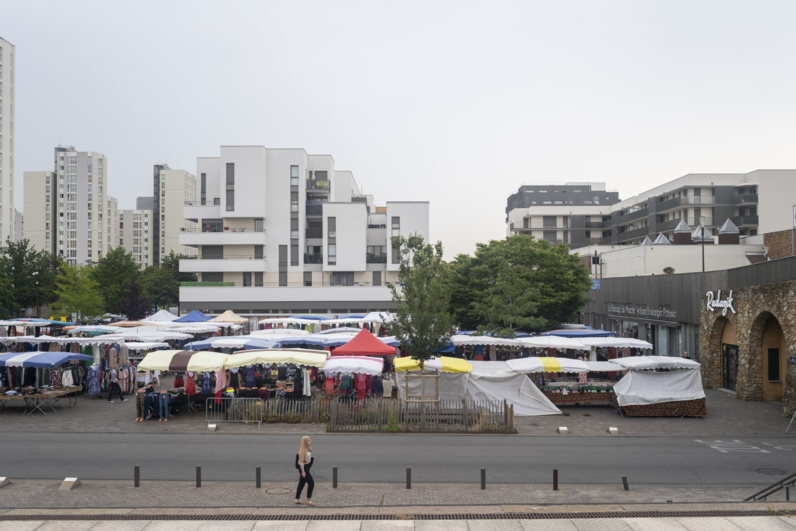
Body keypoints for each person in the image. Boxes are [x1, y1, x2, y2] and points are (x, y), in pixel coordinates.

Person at [295, 436, 315, 506]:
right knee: (311, 483)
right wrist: (303, 472)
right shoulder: (302, 450)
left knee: (301, 483)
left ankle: (297, 499)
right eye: (309, 441)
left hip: (307, 467)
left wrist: (309, 450)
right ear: (305, 442)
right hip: (304, 468)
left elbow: (308, 457)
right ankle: (308, 499)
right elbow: (301, 462)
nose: (310, 441)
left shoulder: (307, 448)